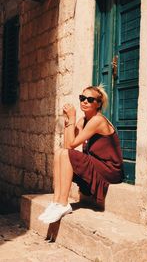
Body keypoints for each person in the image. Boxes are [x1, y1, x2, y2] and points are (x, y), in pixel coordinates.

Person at [38, 85, 124, 224]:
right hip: (96, 165)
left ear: (98, 104)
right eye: (82, 98)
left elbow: (70, 146)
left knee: (66, 154)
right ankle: (56, 202)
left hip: (109, 170)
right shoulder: (83, 121)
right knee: (60, 152)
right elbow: (67, 146)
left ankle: (63, 204)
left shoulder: (98, 120)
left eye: (90, 99)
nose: (84, 101)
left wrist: (72, 118)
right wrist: (68, 121)